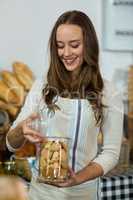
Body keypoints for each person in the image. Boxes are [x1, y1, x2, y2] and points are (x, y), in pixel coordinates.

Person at [6, 10, 123, 200]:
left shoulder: (108, 92)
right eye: (60, 46)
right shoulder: (42, 85)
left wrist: (77, 178)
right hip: (40, 194)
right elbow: (10, 144)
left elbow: (111, 153)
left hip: (83, 194)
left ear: (89, 45)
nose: (66, 53)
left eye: (74, 45)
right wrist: (22, 129)